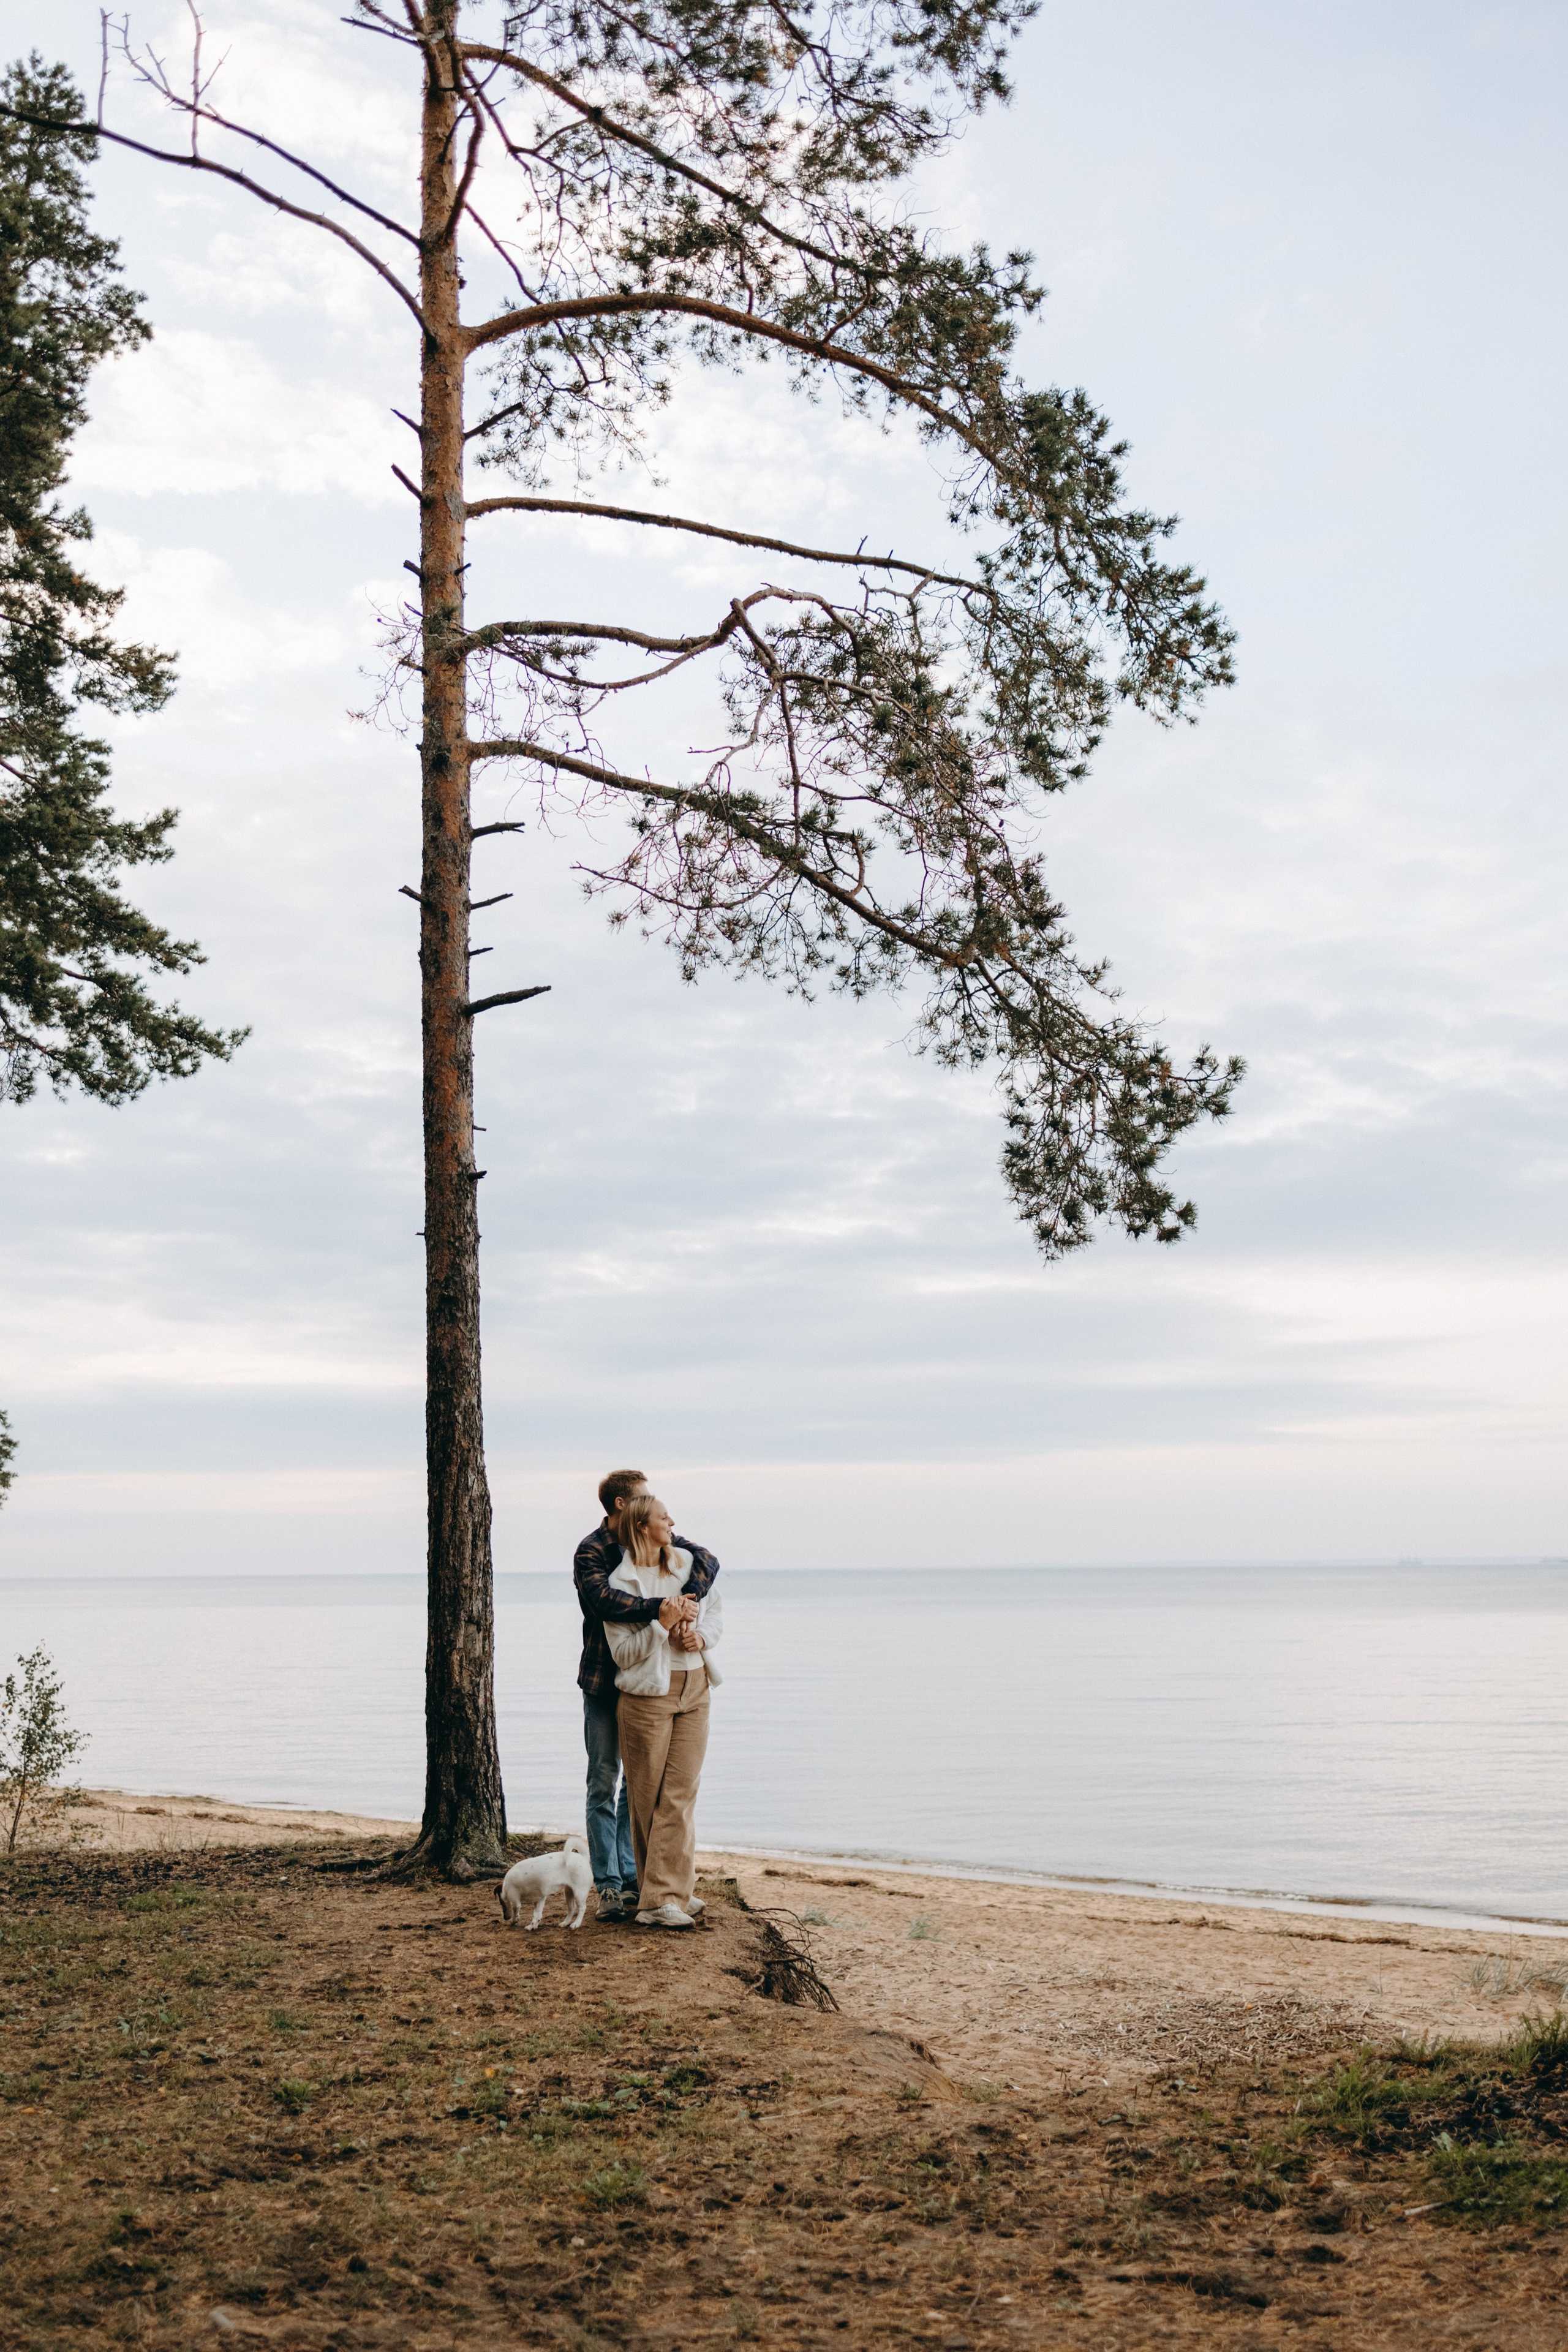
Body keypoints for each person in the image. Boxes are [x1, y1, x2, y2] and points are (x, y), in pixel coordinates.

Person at [572, 1468, 719, 1921]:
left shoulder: (676, 1556)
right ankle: (613, 1885)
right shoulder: (595, 1554)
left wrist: (692, 1613)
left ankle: (653, 1884)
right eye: (650, 1504)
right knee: (609, 1782)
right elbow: (604, 1606)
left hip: (682, 1683)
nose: (668, 1518)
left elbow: (708, 1565)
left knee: (659, 1792)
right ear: (627, 1508)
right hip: (609, 1681)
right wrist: (662, 1614)